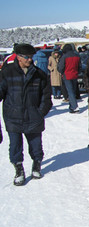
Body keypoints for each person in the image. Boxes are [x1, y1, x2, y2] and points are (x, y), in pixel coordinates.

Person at [0, 43, 52, 186]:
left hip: (33, 117)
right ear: (18, 57)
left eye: (31, 57)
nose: (30, 60)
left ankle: (36, 164)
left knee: (36, 145)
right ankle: (19, 169)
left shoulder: (39, 74)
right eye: (27, 57)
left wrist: (40, 112)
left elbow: (46, 97)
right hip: (13, 117)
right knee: (15, 146)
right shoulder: (7, 72)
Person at [58, 44, 81, 113]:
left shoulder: (64, 56)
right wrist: (77, 72)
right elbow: (79, 66)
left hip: (67, 75)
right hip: (75, 75)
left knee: (70, 92)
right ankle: (72, 107)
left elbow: (61, 67)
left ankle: (74, 107)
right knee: (73, 91)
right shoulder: (77, 55)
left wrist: (61, 72)